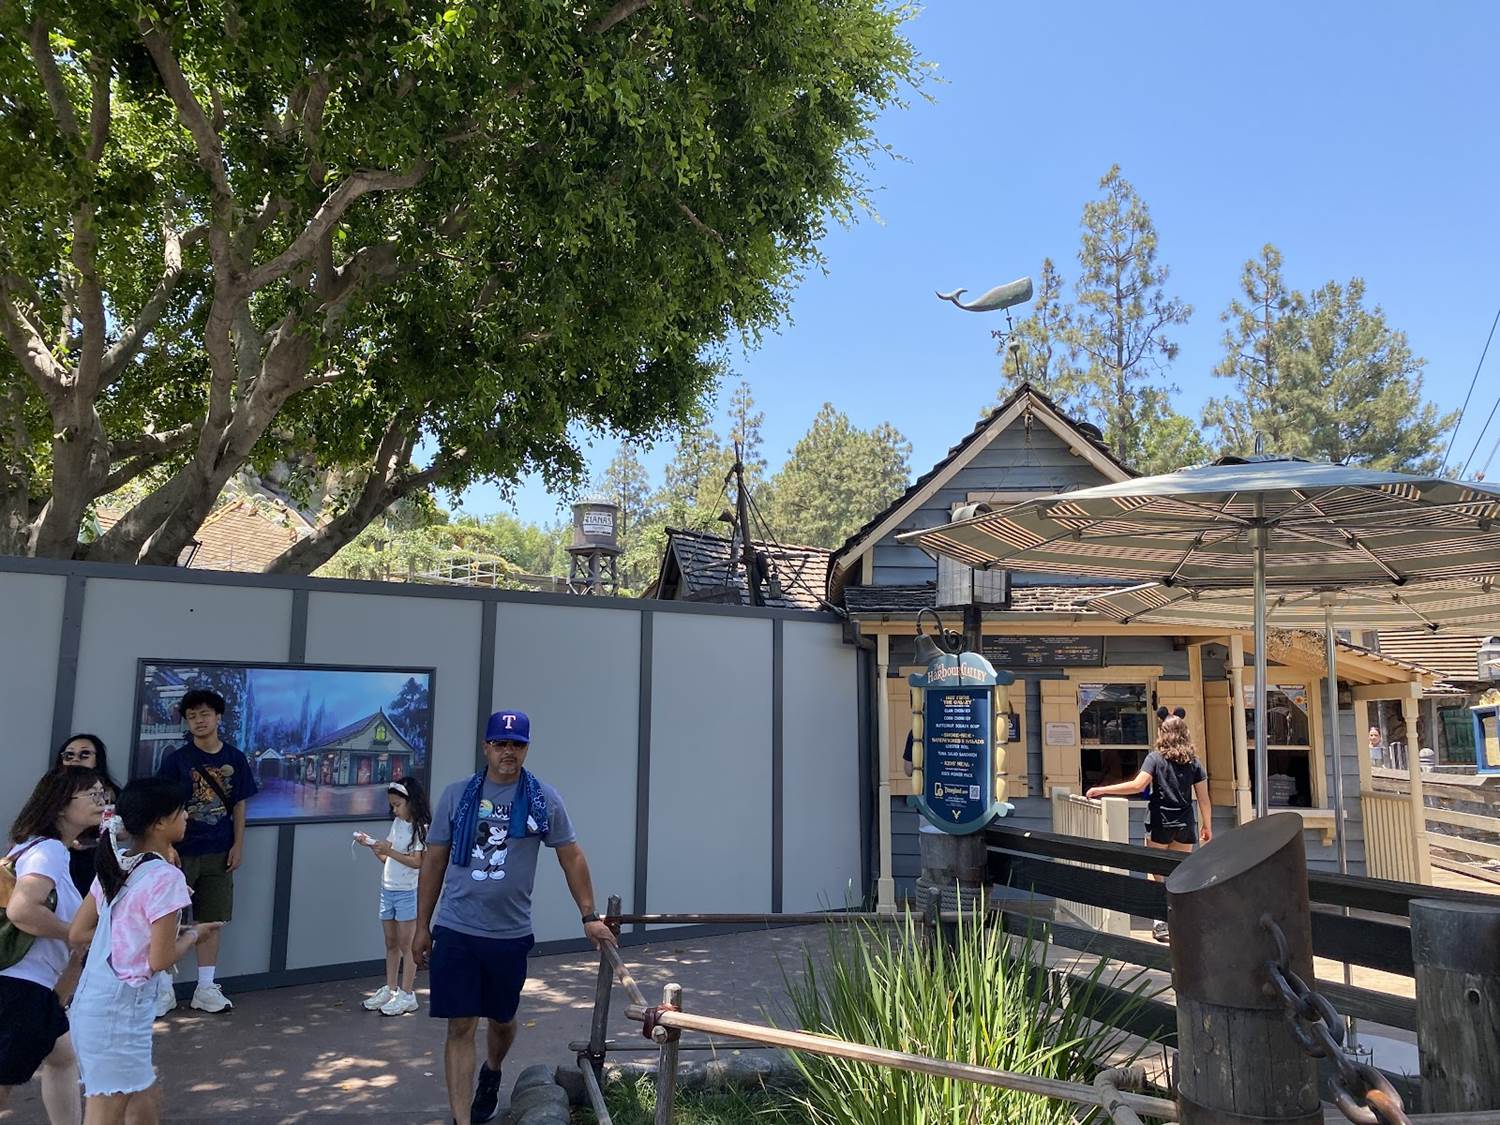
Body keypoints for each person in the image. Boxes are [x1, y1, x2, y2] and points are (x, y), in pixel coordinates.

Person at [414, 710, 617, 1125]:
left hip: (509, 933)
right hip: (456, 928)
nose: (508, 751)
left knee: (502, 1021)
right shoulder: (457, 795)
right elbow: (433, 862)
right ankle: (462, 1119)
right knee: (460, 1025)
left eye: (517, 744)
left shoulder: (542, 799)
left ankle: (492, 1072)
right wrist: (421, 927)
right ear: (486, 747)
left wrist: (588, 916)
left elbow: (571, 856)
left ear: (526, 748)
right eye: (500, 743)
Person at [67, 778, 216, 1125]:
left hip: (95, 1004)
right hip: (120, 1012)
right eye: (181, 812)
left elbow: (79, 932)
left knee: (142, 1099)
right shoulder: (166, 877)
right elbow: (160, 960)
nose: (187, 817)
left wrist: (144, 934)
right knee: (106, 1110)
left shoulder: (117, 864)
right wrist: (194, 935)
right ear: (159, 822)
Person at [0, 767, 106, 1124]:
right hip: (18, 989)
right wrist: (75, 933)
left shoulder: (35, 847)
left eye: (102, 793)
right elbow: (21, 910)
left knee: (63, 1056)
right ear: (60, 805)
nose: (101, 801)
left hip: (28, 987)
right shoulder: (49, 850)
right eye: (91, 794)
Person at [155, 688, 258, 1013]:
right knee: (168, 919)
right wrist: (166, 846)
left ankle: (205, 987)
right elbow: (162, 806)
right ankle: (163, 989)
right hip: (180, 853)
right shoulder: (177, 760)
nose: (199, 721)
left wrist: (238, 844)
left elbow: (239, 805)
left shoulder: (235, 758)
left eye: (204, 714)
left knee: (212, 920)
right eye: (192, 716)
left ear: (218, 717)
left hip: (219, 850)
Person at [1087, 716, 1210, 944]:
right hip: (1185, 824)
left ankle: (1160, 922)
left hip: (1159, 822)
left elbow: (1138, 785)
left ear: (1163, 733)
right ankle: (1181, 923)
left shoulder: (1155, 758)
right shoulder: (1194, 762)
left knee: (1155, 873)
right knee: (1179, 874)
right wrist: (1207, 825)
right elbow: (1203, 798)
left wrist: (1102, 790)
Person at [359, 778, 431, 1016]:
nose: (395, 810)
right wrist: (372, 845)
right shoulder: (398, 824)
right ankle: (391, 989)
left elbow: (417, 862)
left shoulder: (421, 828)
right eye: (392, 806)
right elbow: (386, 857)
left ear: (411, 802)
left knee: (407, 945)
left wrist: (389, 851)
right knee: (391, 943)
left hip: (408, 892)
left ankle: (407, 994)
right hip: (388, 889)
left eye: (398, 805)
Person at [54, 736, 122, 899]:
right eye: (69, 755)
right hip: (59, 851)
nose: (75, 760)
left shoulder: (112, 792)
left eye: (84, 754)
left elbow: (126, 829)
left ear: (98, 759)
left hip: (96, 858)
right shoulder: (53, 788)